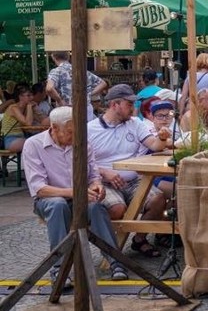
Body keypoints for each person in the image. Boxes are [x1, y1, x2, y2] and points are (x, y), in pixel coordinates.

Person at [22, 106, 128, 285]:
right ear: (55, 128)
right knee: (57, 205)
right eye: (70, 132)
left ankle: (115, 261)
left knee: (96, 207)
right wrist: (75, 192)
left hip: (78, 197)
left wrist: (97, 187)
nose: (75, 137)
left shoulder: (82, 144)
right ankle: (59, 268)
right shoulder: (34, 145)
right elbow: (39, 188)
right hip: (48, 199)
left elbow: (94, 176)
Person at [87, 84, 172, 258]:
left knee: (159, 199)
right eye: (129, 104)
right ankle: (111, 250)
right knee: (117, 208)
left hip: (132, 179)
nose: (133, 109)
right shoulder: (91, 129)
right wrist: (104, 172)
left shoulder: (135, 124)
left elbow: (154, 145)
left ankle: (139, 239)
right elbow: (82, 162)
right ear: (114, 105)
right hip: (104, 181)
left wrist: (162, 138)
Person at [45, 51, 107, 121]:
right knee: (87, 131)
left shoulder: (56, 71)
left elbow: (49, 88)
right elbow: (103, 83)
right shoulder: (82, 71)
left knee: (69, 131)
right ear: (68, 57)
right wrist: (89, 93)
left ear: (53, 57)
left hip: (67, 108)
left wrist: (59, 100)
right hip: (85, 108)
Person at [1, 84, 34, 157]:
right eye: (28, 95)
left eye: (31, 95)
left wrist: (35, 109)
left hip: (22, 137)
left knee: (38, 141)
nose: (31, 98)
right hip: (10, 139)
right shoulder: (13, 108)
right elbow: (28, 123)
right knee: (33, 143)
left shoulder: (25, 108)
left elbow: (41, 120)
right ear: (20, 97)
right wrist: (29, 107)